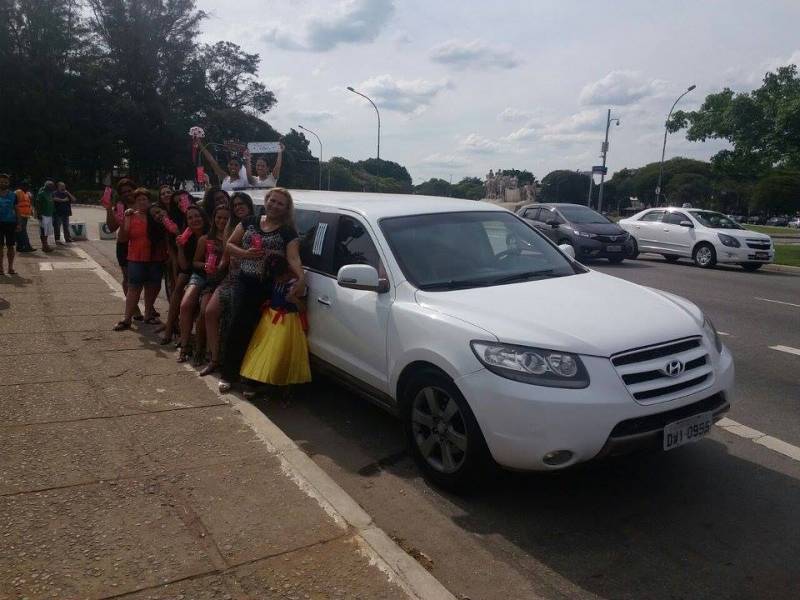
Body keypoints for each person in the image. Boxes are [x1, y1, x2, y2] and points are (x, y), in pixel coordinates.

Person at [217, 188, 305, 393]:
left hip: (271, 286)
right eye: (272, 201)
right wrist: (245, 254)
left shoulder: (287, 232)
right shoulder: (250, 221)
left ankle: (252, 379)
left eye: (280, 203)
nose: (275, 205)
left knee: (262, 333)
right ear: (266, 201)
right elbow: (229, 245)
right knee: (237, 327)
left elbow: (293, 258)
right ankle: (228, 374)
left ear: (286, 209)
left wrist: (301, 277)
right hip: (246, 282)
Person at [199, 192, 254, 376]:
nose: (238, 207)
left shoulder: (258, 224)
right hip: (230, 278)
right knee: (210, 312)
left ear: (249, 205)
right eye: (235, 204)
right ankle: (215, 359)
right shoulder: (231, 227)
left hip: (250, 280)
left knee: (235, 322)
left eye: (242, 204)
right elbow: (225, 258)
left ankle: (236, 364)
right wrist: (215, 269)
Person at [239, 254, 311, 391]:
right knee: (262, 349)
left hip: (287, 321)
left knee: (280, 352)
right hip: (270, 318)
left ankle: (281, 385)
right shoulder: (276, 281)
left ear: (287, 272)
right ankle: (258, 379)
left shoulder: (297, 285)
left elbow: (303, 308)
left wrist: (294, 300)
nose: (279, 280)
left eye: (280, 277)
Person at [177, 205, 229, 362]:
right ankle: (185, 345)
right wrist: (205, 265)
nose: (221, 221)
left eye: (226, 218)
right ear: (213, 219)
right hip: (201, 276)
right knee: (185, 305)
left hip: (221, 279)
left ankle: (202, 348)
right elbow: (194, 263)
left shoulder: (233, 237)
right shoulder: (205, 238)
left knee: (204, 312)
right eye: (218, 217)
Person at [113, 190, 167, 330]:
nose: (143, 202)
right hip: (136, 258)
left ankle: (148, 314)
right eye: (139, 200)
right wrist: (124, 221)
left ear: (149, 202)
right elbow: (123, 239)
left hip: (156, 258)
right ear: (135, 203)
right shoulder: (131, 216)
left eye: (145, 199)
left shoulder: (156, 216)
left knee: (153, 286)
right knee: (134, 288)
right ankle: (126, 319)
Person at [160, 204, 208, 345]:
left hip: (207, 273)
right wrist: (180, 247)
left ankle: (178, 332)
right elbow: (185, 266)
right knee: (180, 283)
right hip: (193, 270)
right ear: (187, 222)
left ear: (203, 217)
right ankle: (170, 328)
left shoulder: (211, 233)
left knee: (182, 283)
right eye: (190, 218)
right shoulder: (188, 237)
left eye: (197, 216)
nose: (194, 220)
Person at [105, 178, 141, 319]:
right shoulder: (120, 207)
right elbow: (111, 227)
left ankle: (149, 308)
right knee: (129, 278)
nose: (127, 193)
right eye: (123, 192)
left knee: (143, 278)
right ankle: (135, 308)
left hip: (142, 245)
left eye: (129, 190)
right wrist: (108, 208)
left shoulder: (143, 203)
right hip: (124, 246)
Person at [0, 173, 19, 275]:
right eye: (1, 182)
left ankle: (10, 268)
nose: (3, 183)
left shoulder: (13, 195)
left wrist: (19, 223)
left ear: (8, 183)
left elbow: (17, 209)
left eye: (5, 182)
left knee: (11, 246)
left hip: (10, 223)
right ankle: (0, 268)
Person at [34, 180, 55, 253]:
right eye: (50, 186)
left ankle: (46, 244)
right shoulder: (41, 193)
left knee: (47, 231)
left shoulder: (50, 193)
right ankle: (44, 246)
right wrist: (38, 214)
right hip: (43, 215)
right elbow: (37, 203)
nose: (52, 187)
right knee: (43, 231)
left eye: (52, 185)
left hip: (49, 214)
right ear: (46, 186)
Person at [15, 181, 35, 252]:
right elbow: (14, 204)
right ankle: (26, 246)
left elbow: (28, 203)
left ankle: (20, 247)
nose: (28, 188)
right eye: (26, 186)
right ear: (22, 186)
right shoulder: (18, 192)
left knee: (21, 231)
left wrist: (31, 211)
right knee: (22, 231)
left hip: (25, 215)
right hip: (20, 215)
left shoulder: (26, 193)